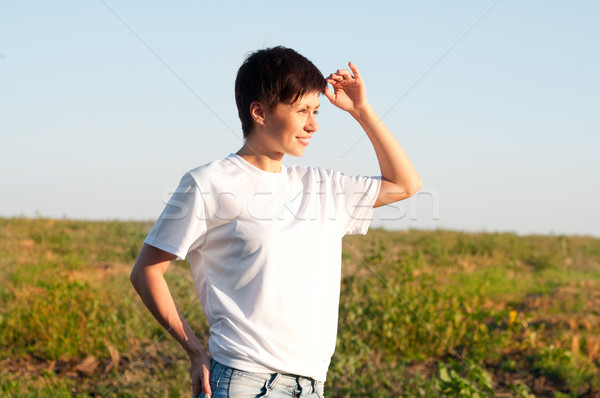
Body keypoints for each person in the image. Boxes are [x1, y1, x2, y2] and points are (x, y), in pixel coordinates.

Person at [130, 46, 422, 398]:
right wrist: (194, 351)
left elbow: (405, 184)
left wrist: (362, 110)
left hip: (312, 385)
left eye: (316, 111)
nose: (313, 124)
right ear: (260, 112)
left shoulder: (322, 186)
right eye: (302, 111)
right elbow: (146, 271)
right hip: (244, 382)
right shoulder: (209, 183)